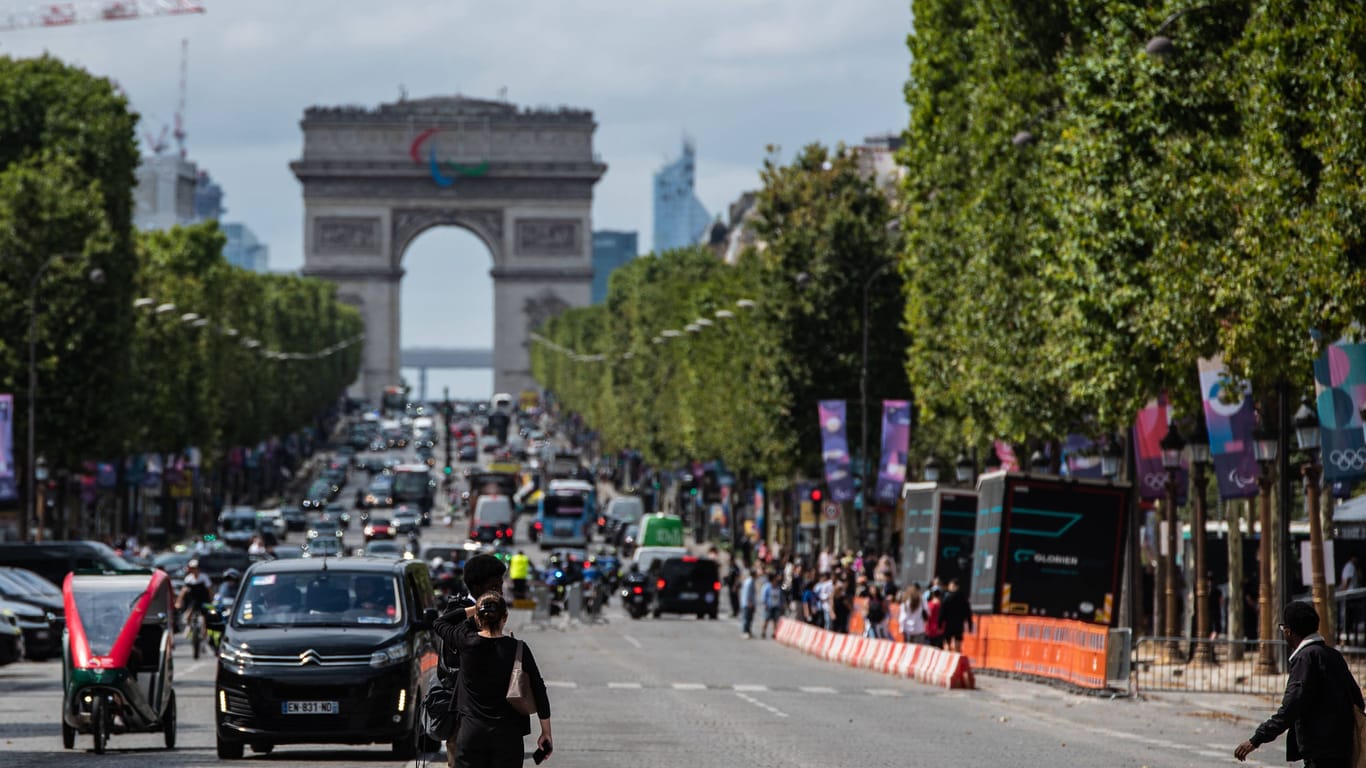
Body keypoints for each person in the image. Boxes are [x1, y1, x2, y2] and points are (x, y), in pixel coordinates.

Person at [1235, 601, 1364, 767]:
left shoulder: (1304, 659)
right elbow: (1357, 700)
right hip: (1343, 748)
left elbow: (1290, 707)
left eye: (1283, 629)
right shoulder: (1333, 655)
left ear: (1288, 631)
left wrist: (1256, 739)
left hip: (1320, 752)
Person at [434, 591, 552, 767]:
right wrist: (546, 732)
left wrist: (475, 609)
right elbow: (538, 688)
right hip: (508, 736)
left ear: (478, 619)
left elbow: (439, 622)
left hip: (471, 733)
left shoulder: (465, 641)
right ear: (505, 617)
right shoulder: (518, 649)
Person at [436, 553, 508, 768]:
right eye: (495, 585)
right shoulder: (458, 612)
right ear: (476, 586)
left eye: (501, 584)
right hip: (463, 713)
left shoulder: (496, 611)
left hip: (494, 715)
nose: (500, 590)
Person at [939, 578, 973, 652]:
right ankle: (957, 656)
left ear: (954, 586)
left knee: (948, 642)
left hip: (949, 623)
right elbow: (968, 612)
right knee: (958, 641)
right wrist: (970, 625)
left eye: (950, 585)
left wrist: (940, 623)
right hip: (959, 623)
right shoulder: (963, 598)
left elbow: (942, 611)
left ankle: (948, 658)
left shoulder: (947, 598)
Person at [176, 560, 214, 626]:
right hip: (193, 600)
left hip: (203, 599)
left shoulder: (204, 577)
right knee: (188, 615)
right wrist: (178, 602)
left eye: (194, 568)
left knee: (204, 617)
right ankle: (189, 629)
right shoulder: (188, 578)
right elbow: (183, 591)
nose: (193, 570)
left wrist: (211, 600)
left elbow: (209, 590)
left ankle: (204, 633)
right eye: (192, 568)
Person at [760, 572, 784, 639]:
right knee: (766, 620)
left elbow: (781, 597)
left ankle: (774, 633)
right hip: (769, 606)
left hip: (776, 606)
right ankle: (763, 632)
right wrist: (765, 604)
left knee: (775, 620)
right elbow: (764, 596)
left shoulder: (778, 587)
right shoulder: (767, 587)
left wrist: (782, 604)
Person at [739, 567, 757, 639]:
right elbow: (747, 593)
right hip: (748, 604)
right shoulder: (749, 582)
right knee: (746, 618)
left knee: (749, 619)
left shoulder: (751, 581)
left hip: (749, 603)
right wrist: (749, 603)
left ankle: (748, 631)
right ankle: (745, 632)